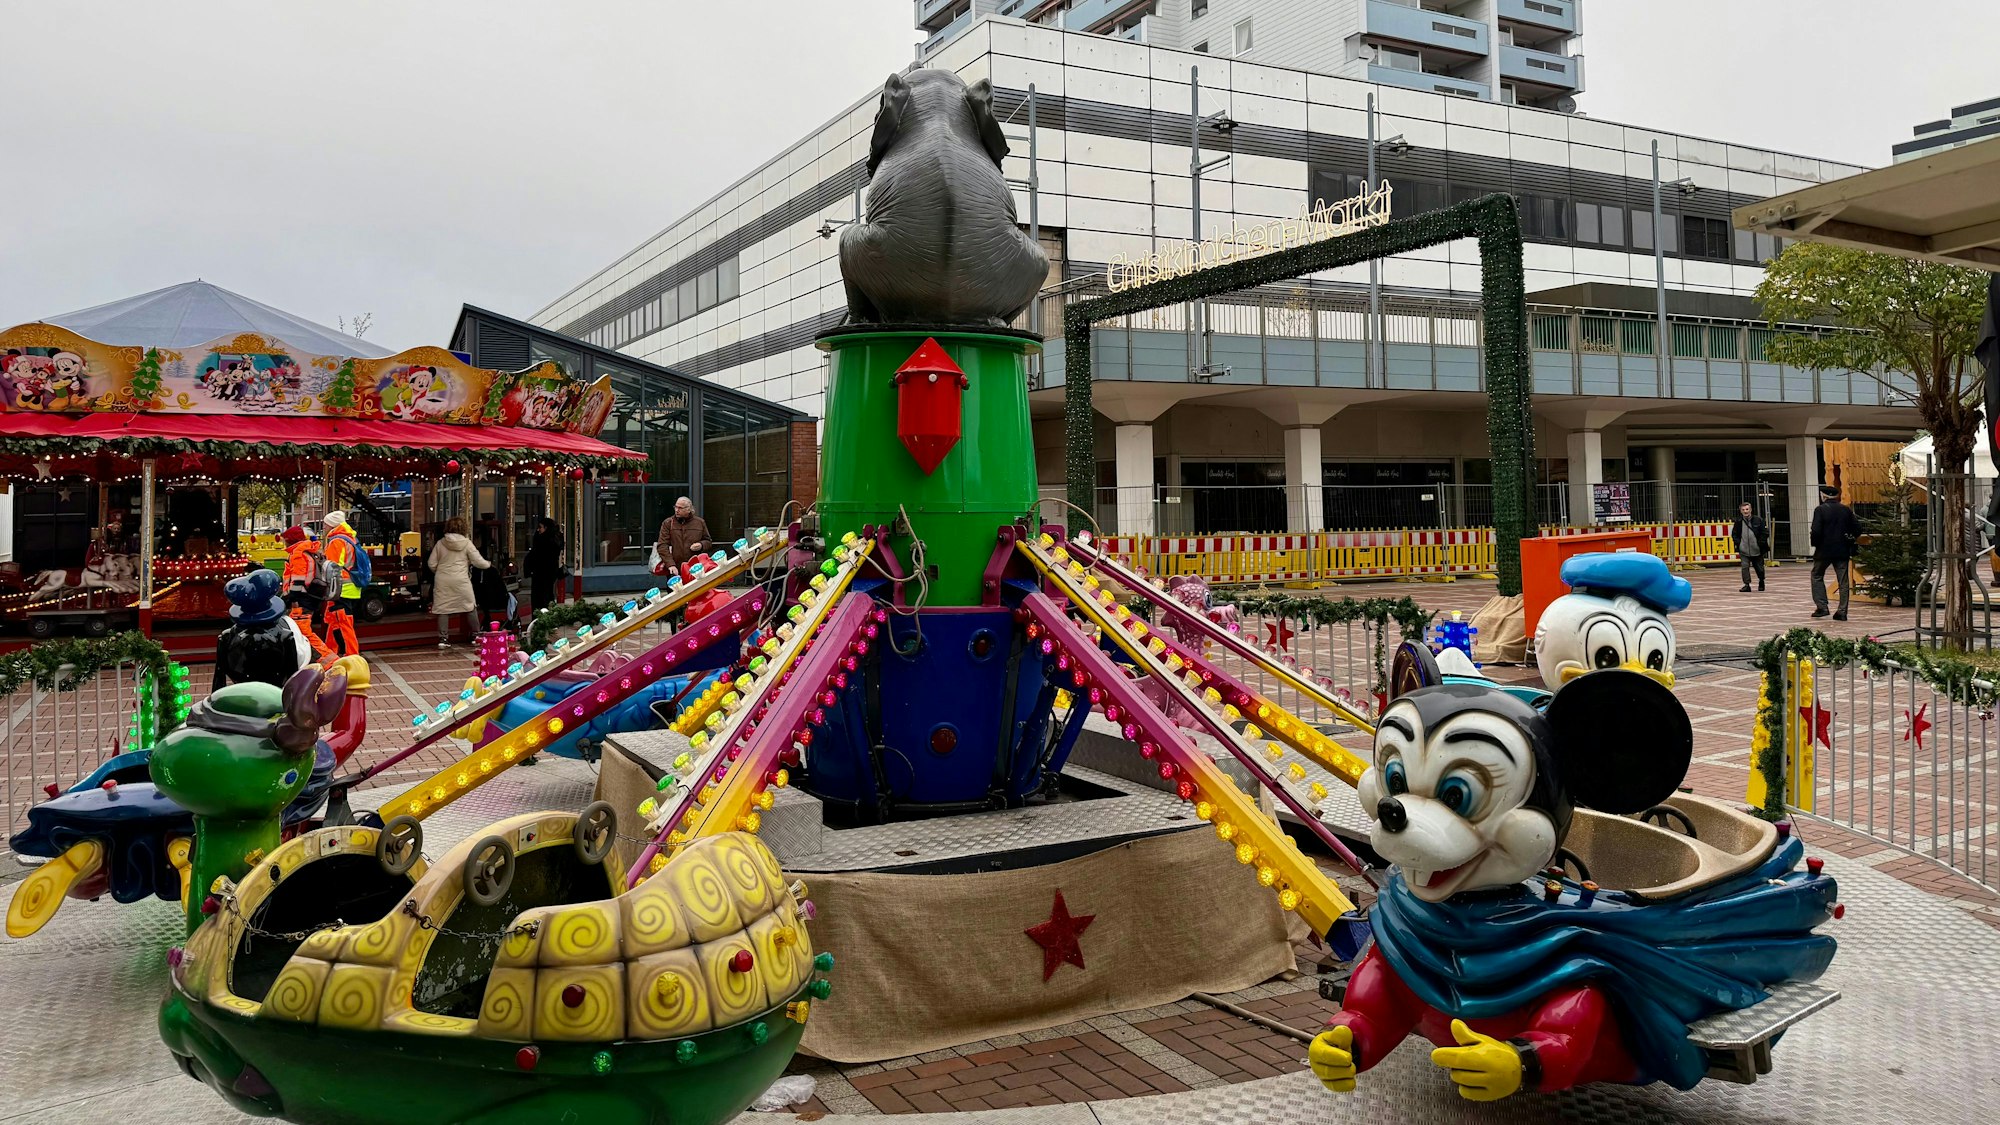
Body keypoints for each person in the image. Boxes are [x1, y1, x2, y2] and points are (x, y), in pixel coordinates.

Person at [213, 569, 310, 691]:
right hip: (276, 693)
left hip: (243, 693)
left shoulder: (227, 636)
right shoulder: (285, 634)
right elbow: (295, 673)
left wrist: (215, 700)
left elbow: (219, 677)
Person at [428, 516, 491, 647]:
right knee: (469, 606)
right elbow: (478, 561)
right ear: (463, 529)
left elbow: (431, 563)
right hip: (461, 579)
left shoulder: (440, 543)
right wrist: (488, 564)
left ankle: (443, 639)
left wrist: (440, 572)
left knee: (442, 608)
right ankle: (476, 636)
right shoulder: (467, 543)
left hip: (443, 579)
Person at [279, 525, 335, 661]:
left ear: (289, 540)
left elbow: (298, 581)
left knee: (303, 633)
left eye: (284, 540)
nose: (283, 542)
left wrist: (288, 598)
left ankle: (329, 661)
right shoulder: (308, 551)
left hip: (301, 601)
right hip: (309, 598)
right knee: (302, 632)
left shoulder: (298, 554)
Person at [321, 510, 370, 656]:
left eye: (325, 524)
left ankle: (352, 656)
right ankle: (330, 655)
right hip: (350, 587)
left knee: (342, 624)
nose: (323, 527)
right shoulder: (350, 539)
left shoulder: (337, 541)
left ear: (332, 525)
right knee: (334, 622)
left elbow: (332, 567)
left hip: (340, 589)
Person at [1809, 483, 1860, 621]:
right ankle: (1842, 611)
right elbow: (1857, 528)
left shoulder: (1820, 510)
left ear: (1823, 496)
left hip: (1823, 551)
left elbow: (1816, 530)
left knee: (1817, 575)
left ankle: (1822, 607)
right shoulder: (1846, 510)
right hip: (1842, 550)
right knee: (1843, 580)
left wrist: (1815, 544)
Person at [654, 496, 712, 575]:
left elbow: (708, 542)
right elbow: (662, 545)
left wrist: (701, 545)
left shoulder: (700, 523)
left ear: (688, 509)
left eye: (680, 508)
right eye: (676, 507)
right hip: (675, 568)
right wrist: (670, 565)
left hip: (695, 568)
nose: (676, 510)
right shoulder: (668, 523)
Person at [525, 516, 564, 612]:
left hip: (542, 574)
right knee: (547, 596)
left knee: (541, 598)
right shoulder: (554, 539)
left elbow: (536, 555)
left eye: (540, 527)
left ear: (546, 528)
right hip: (548, 573)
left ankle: (540, 618)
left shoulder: (544, 541)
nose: (538, 530)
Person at [1730, 502, 1770, 593]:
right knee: (1745, 567)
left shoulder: (1758, 520)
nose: (1745, 511)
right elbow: (1734, 534)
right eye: (1743, 510)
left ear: (1751, 510)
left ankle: (1761, 581)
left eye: (1747, 509)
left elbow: (1765, 532)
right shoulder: (1738, 522)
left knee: (1759, 568)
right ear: (1740, 511)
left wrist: (1761, 542)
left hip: (1757, 549)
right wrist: (1738, 543)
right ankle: (1747, 584)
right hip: (1743, 549)